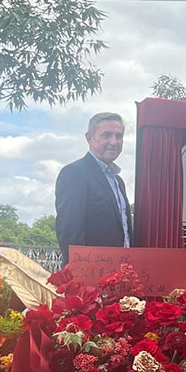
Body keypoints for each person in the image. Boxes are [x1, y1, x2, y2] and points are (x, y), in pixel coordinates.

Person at [55, 112, 133, 266]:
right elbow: (70, 232)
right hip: (91, 276)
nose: (114, 141)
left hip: (120, 275)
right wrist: (80, 276)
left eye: (119, 136)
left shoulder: (118, 181)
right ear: (89, 138)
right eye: (107, 135)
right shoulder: (75, 173)